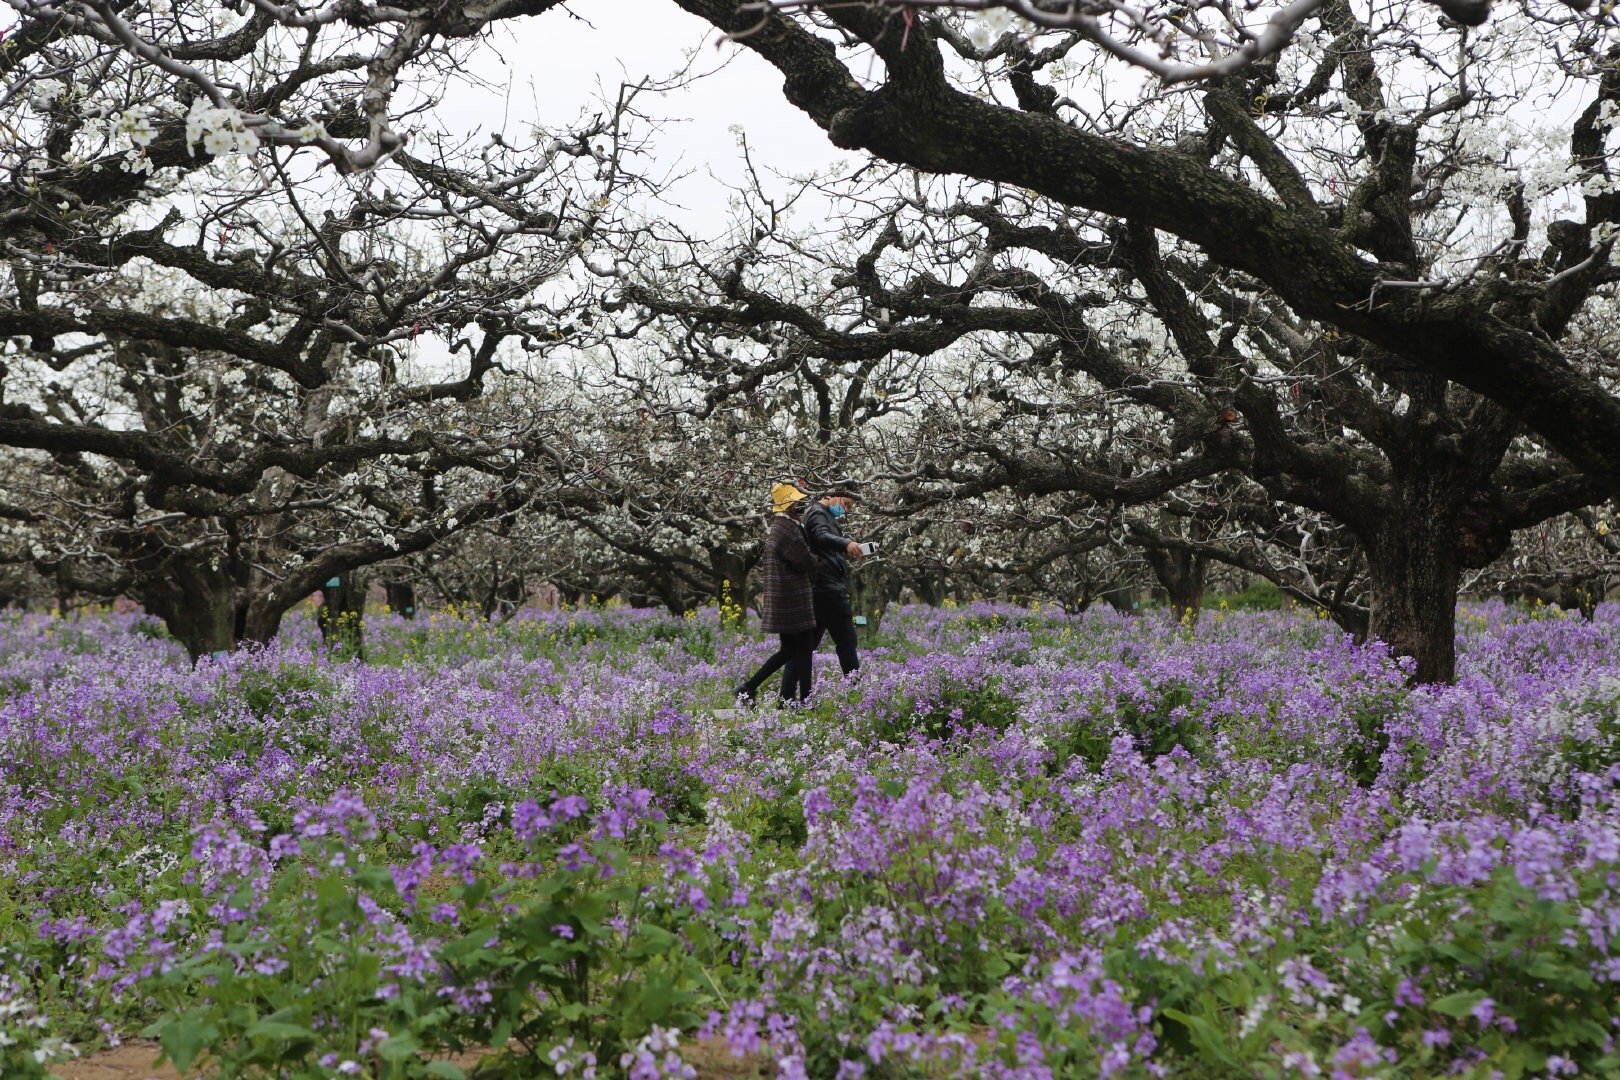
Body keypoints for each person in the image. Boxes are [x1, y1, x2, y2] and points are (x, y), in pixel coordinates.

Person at [735, 483, 820, 707]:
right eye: (798, 502)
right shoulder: (787, 530)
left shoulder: (779, 527)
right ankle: (806, 700)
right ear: (789, 505)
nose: (801, 506)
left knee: (791, 649)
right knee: (803, 650)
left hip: (785, 600)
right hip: (793, 600)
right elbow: (806, 561)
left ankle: (750, 688)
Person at [801, 481, 867, 680]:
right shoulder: (818, 514)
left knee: (807, 645)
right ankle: (856, 688)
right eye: (845, 504)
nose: (845, 510)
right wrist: (846, 544)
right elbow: (821, 537)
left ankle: (788, 696)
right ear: (831, 495)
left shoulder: (824, 515)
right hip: (828, 588)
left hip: (822, 587)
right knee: (847, 641)